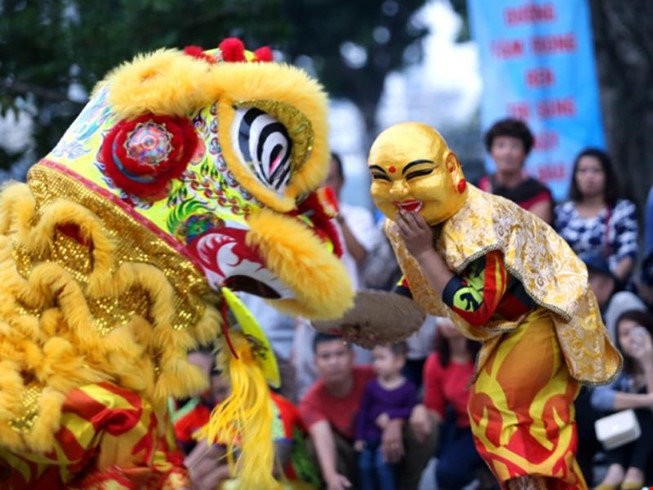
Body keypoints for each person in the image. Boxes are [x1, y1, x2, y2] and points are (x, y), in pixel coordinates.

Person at [367, 122, 620, 489]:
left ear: (451, 168)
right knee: (519, 415)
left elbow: (474, 306)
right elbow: (420, 282)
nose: (400, 191)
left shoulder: (480, 222)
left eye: (416, 174)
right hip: (505, 330)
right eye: (383, 179)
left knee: (496, 403)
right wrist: (370, 322)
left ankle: (524, 480)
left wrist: (422, 251)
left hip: (544, 316)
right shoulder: (412, 221)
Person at [299, 333, 437, 490]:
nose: (334, 362)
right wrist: (331, 477)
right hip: (351, 456)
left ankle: (408, 486)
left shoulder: (374, 374)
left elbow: (406, 393)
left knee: (427, 420)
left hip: (385, 448)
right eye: (325, 356)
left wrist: (399, 420)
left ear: (352, 356)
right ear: (315, 363)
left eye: (340, 354)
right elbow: (322, 438)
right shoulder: (310, 400)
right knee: (311, 445)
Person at [554, 148, 639, 286]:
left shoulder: (623, 210)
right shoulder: (562, 212)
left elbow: (628, 255)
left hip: (614, 288)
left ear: (608, 176)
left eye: (596, 170)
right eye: (583, 171)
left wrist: (609, 286)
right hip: (571, 289)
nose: (589, 176)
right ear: (575, 176)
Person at [591, 309, 653, 490]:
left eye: (637, 330)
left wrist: (648, 361)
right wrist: (645, 400)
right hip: (625, 443)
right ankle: (616, 470)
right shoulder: (619, 367)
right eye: (625, 334)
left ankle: (635, 471)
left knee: (642, 413)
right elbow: (598, 398)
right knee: (618, 409)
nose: (632, 339)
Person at [421, 318, 486, 489]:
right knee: (441, 473)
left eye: (453, 315)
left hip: (496, 426)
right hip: (466, 428)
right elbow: (435, 409)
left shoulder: (487, 353)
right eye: (442, 315)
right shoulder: (435, 362)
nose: (448, 322)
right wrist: (420, 413)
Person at [354, 342, 418, 490]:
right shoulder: (371, 386)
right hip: (370, 438)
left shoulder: (408, 388)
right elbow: (364, 412)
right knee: (364, 467)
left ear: (399, 361)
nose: (376, 363)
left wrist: (391, 415)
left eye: (381, 358)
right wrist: (359, 437)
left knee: (383, 467)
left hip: (389, 443)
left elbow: (410, 411)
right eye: (374, 359)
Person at [478, 117, 553, 224]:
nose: (507, 152)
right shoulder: (478, 188)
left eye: (515, 146)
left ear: (525, 153)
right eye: (501, 145)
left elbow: (535, 235)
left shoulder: (539, 194)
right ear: (491, 151)